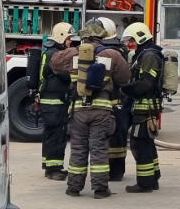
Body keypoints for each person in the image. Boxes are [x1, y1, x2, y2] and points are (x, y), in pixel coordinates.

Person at [50, 21, 130, 199]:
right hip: (102, 110)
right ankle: (100, 189)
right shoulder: (112, 54)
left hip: (78, 110)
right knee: (99, 149)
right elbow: (125, 78)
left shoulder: (73, 53)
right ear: (102, 37)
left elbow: (53, 63)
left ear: (84, 36)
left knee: (78, 149)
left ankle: (74, 188)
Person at [120, 22, 165, 193]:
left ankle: (145, 183)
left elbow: (146, 83)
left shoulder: (149, 56)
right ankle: (153, 179)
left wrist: (124, 89)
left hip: (145, 106)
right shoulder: (144, 54)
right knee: (147, 143)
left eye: (132, 39)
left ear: (140, 37)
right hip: (144, 106)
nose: (130, 43)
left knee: (139, 143)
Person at [38, 22, 75, 180]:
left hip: (49, 102)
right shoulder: (56, 55)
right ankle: (54, 169)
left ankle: (48, 164)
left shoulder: (50, 52)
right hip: (54, 103)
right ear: (60, 37)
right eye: (68, 38)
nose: (70, 42)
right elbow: (64, 75)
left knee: (50, 132)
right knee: (57, 134)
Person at [96, 17, 131, 182]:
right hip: (118, 102)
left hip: (101, 103)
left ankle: (108, 172)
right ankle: (116, 172)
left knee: (102, 138)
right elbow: (124, 78)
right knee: (118, 137)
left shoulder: (93, 51)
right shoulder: (119, 51)